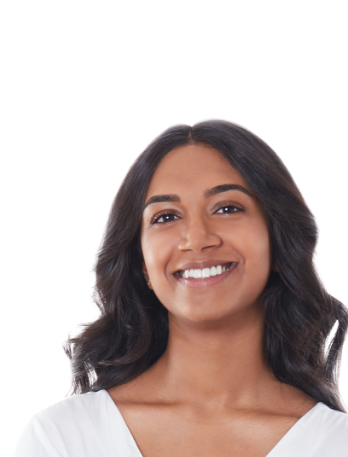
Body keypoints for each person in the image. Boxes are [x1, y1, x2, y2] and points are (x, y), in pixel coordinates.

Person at [5, 118, 348, 456]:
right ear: (141, 261)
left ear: (277, 241)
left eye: (227, 208)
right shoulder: (56, 439)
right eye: (166, 216)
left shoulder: (337, 443)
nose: (197, 240)